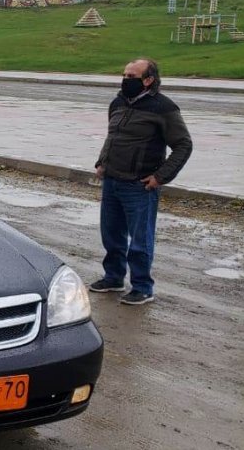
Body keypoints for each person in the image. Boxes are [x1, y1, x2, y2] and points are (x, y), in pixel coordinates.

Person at [91, 58, 192, 305]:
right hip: (112, 180)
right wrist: (102, 161)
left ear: (148, 80)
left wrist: (160, 177)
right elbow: (112, 136)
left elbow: (183, 145)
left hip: (139, 185)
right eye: (124, 75)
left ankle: (142, 287)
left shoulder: (164, 108)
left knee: (140, 240)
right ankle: (113, 277)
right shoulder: (117, 102)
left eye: (132, 76)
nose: (126, 80)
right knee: (111, 234)